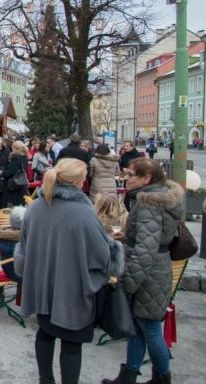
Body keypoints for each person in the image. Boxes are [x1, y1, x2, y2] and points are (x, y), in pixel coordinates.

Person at [15, 158, 122, 384]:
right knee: (71, 344)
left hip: (42, 286)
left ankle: (46, 380)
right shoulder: (84, 213)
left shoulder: (35, 208)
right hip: (73, 289)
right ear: (79, 181)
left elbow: (22, 249)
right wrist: (115, 248)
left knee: (44, 333)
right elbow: (103, 256)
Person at [102, 159, 182, 384]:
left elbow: (146, 250)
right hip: (154, 269)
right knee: (138, 326)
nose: (126, 179)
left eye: (131, 175)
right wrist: (128, 237)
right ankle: (129, 375)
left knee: (150, 328)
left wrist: (127, 284)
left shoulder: (148, 203)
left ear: (146, 179)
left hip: (148, 274)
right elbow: (151, 238)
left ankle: (162, 377)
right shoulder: (155, 198)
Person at [3, 140, 28, 207]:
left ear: (15, 148)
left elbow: (12, 171)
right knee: (20, 206)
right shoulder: (24, 157)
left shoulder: (15, 157)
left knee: (14, 206)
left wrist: (3, 173)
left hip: (14, 184)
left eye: (12, 146)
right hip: (22, 183)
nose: (11, 147)